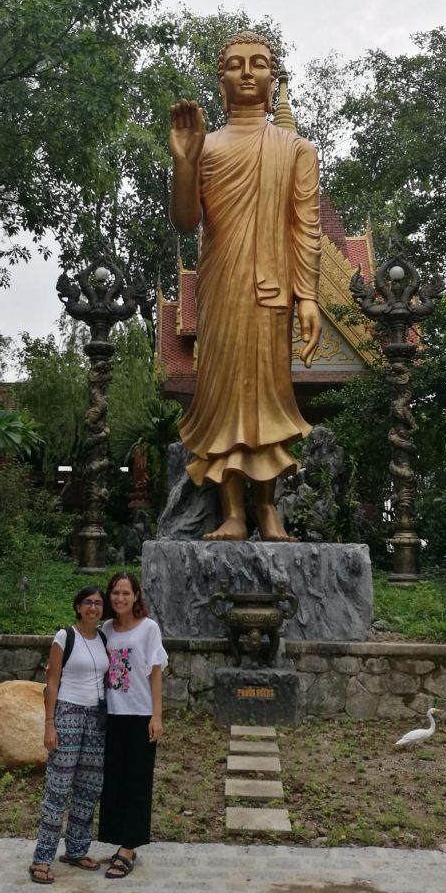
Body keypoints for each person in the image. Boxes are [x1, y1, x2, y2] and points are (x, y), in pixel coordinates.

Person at [169, 31, 322, 541]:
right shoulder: (207, 146)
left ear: (271, 74)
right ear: (221, 81)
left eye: (258, 63)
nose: (248, 72)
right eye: (235, 65)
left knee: (265, 396)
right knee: (225, 395)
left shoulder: (295, 149)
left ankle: (267, 508)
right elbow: (186, 221)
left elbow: (305, 226)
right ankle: (232, 513)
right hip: (221, 283)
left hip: (271, 285)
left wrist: (310, 297)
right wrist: (184, 163)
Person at [29, 585, 109, 884]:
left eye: (98, 603)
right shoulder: (65, 637)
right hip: (68, 714)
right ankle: (42, 859)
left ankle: (75, 850)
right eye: (87, 602)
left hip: (96, 720)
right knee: (58, 789)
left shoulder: (103, 638)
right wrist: (49, 723)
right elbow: (51, 682)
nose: (93, 607)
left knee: (88, 789)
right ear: (78, 607)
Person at [98, 571, 168, 878]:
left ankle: (129, 847)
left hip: (140, 715)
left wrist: (157, 715)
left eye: (126, 593)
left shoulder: (148, 629)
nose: (120, 598)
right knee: (114, 780)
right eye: (115, 593)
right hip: (112, 715)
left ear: (136, 595)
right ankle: (118, 840)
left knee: (138, 781)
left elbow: (155, 673)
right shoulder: (105, 629)